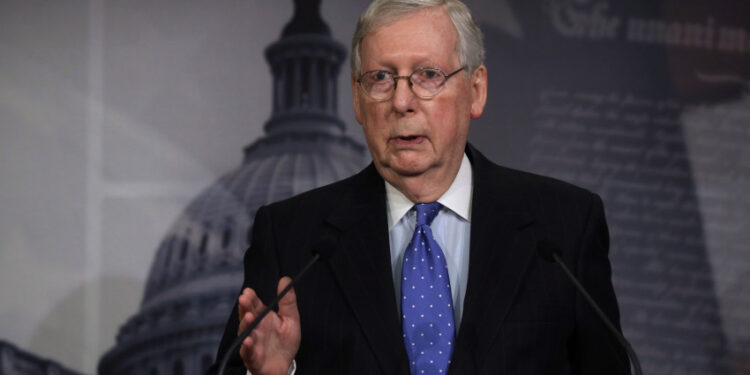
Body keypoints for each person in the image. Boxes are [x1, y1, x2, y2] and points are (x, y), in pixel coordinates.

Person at [210, 0, 629, 374]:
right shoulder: (292, 237)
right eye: (381, 78)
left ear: (476, 90)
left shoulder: (564, 227)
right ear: (357, 100)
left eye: (428, 75)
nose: (402, 101)